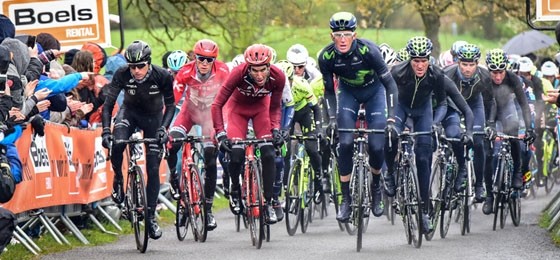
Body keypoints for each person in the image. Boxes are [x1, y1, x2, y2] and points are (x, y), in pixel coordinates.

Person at [317, 12, 398, 222]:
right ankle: (345, 198)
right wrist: (332, 120)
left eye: (346, 34)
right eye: (338, 34)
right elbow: (328, 91)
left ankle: (376, 186)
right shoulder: (326, 57)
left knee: (377, 145)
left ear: (355, 34)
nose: (342, 39)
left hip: (375, 93)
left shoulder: (368, 50)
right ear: (331, 36)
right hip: (348, 94)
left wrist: (391, 121)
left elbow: (390, 85)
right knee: (344, 142)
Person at [101, 40, 175, 239]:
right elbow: (108, 106)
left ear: (148, 63)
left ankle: (150, 217)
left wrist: (163, 129)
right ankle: (118, 178)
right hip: (129, 114)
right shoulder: (122, 74)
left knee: (152, 168)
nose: (136, 71)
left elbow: (171, 105)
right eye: (132, 66)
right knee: (117, 144)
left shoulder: (162, 75)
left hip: (154, 118)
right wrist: (106, 131)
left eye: (141, 66)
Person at [211, 44, 285, 224]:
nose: (259, 75)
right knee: (236, 153)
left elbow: (275, 106)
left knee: (268, 152)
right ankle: (235, 189)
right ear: (248, 68)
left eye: (263, 70)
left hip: (261, 110)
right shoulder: (237, 73)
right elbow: (217, 105)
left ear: (269, 66)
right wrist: (220, 134)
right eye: (255, 71)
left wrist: (275, 129)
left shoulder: (278, 77)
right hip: (238, 110)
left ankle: (267, 203)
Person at [386, 36, 448, 234]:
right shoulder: (397, 71)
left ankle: (424, 210)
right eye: (416, 61)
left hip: (423, 112)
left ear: (429, 59)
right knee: (391, 136)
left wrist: (436, 124)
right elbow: (387, 96)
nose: (420, 65)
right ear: (410, 60)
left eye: (424, 60)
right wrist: (390, 120)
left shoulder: (436, 74)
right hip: (401, 109)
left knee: (423, 157)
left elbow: (443, 103)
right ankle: (390, 173)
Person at [166, 39, 229, 230]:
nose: (204, 63)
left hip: (210, 115)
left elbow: (229, 101)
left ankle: (208, 210)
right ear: (195, 57)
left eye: (209, 60)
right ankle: (174, 178)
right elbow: (172, 100)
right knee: (173, 142)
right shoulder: (185, 71)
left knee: (210, 157)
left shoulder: (224, 71)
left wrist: (222, 129)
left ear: (214, 60)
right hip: (189, 113)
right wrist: (164, 127)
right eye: (201, 58)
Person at [481, 49, 535, 215]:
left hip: (507, 109)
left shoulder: (513, 79)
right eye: (494, 73)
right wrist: (488, 126)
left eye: (501, 72)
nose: (497, 77)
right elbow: (487, 105)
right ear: (488, 70)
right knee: (488, 153)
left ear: (506, 70)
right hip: (488, 109)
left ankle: (517, 172)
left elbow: (524, 105)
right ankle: (489, 195)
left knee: (513, 133)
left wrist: (529, 128)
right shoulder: (484, 80)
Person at [443, 43, 496, 201]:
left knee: (478, 141)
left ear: (477, 64)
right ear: (458, 63)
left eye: (471, 65)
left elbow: (491, 101)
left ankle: (479, 185)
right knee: (454, 136)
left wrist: (491, 124)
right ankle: (460, 169)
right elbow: (438, 101)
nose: (467, 68)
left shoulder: (485, 76)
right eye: (464, 64)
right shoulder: (447, 73)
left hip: (474, 105)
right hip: (453, 106)